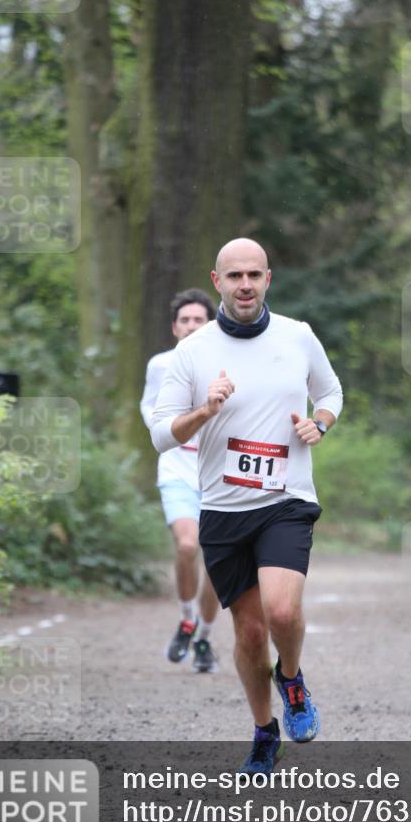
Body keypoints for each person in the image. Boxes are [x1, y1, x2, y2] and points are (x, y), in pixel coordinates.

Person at [150, 239, 343, 774]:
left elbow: (331, 393)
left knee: (282, 611)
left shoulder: (298, 336)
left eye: (254, 275)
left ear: (268, 279)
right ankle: (264, 731)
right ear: (217, 281)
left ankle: (295, 681)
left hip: (287, 499)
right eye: (234, 275)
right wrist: (205, 410)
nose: (245, 285)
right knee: (251, 633)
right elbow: (162, 434)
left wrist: (319, 423)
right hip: (224, 508)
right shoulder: (192, 352)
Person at [141, 289, 221, 673]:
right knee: (188, 545)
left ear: (211, 326)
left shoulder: (226, 365)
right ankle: (187, 619)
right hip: (177, 469)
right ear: (175, 327)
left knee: (219, 562)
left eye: (198, 320)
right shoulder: (160, 365)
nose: (191, 326)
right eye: (185, 320)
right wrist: (167, 429)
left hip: (221, 474)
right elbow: (149, 408)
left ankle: (204, 638)